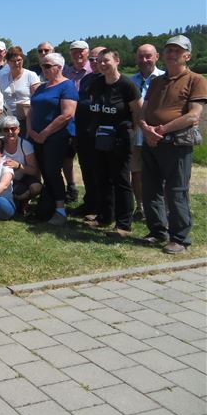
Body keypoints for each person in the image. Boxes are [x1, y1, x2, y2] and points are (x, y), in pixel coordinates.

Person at [139, 35, 207, 254]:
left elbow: (193, 116)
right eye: (168, 50)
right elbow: (143, 110)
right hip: (151, 142)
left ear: (187, 55)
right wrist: (145, 128)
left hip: (176, 143)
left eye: (177, 51)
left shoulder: (196, 80)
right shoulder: (156, 81)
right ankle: (157, 230)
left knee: (176, 191)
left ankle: (180, 238)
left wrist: (162, 130)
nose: (171, 54)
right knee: (150, 189)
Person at [86, 49, 141, 236]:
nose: (101, 64)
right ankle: (104, 217)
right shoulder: (96, 84)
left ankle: (124, 224)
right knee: (103, 178)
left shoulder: (127, 85)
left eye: (106, 60)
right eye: (98, 61)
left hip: (120, 140)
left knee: (121, 181)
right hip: (101, 139)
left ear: (117, 60)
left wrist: (129, 133)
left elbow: (137, 113)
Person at [27, 52, 77, 225]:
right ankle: (48, 205)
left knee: (52, 171)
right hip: (37, 137)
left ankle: (61, 210)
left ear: (59, 68)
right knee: (43, 171)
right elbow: (31, 110)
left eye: (48, 66)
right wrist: (31, 130)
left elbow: (67, 114)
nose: (44, 69)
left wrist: (45, 133)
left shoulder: (67, 86)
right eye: (42, 65)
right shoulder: (42, 87)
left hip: (57, 138)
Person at [129, 44, 165, 221]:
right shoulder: (130, 80)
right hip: (135, 134)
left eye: (148, 56)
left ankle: (161, 208)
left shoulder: (164, 79)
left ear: (157, 56)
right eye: (141, 56)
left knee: (160, 172)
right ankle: (140, 206)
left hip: (157, 134)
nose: (144, 60)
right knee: (136, 171)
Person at [72, 45, 107, 219]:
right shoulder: (87, 79)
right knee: (87, 170)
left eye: (99, 60)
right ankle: (90, 203)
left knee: (101, 172)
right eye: (92, 60)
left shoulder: (110, 80)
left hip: (101, 135)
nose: (94, 63)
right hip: (84, 133)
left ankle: (102, 208)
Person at [62, 40, 92, 202]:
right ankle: (72, 188)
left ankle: (91, 193)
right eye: (74, 51)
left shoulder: (92, 71)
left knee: (87, 160)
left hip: (87, 122)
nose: (78, 54)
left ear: (87, 52)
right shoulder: (66, 71)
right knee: (67, 157)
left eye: (81, 51)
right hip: (69, 122)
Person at [1, 116, 42, 212]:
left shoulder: (25, 145)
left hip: (24, 177)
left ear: (18, 130)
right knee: (21, 194)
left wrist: (18, 166)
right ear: (2, 131)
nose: (10, 132)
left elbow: (34, 171)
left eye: (13, 128)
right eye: (6, 129)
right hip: (6, 178)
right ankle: (17, 201)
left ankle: (24, 201)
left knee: (36, 188)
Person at [0, 46, 40, 137]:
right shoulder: (3, 78)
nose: (17, 63)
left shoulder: (31, 75)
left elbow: (37, 98)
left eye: (19, 60)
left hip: (27, 119)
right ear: (7, 62)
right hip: (8, 120)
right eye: (13, 61)